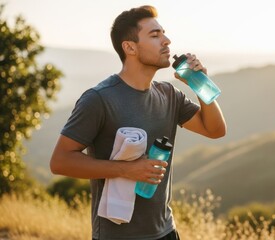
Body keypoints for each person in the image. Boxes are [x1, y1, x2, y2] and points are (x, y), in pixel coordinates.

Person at [50, 5, 226, 240]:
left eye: (163, 33)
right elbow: (60, 161)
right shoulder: (99, 99)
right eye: (155, 35)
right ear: (130, 47)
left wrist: (199, 85)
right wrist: (128, 169)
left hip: (166, 231)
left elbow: (215, 130)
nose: (167, 40)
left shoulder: (169, 95)